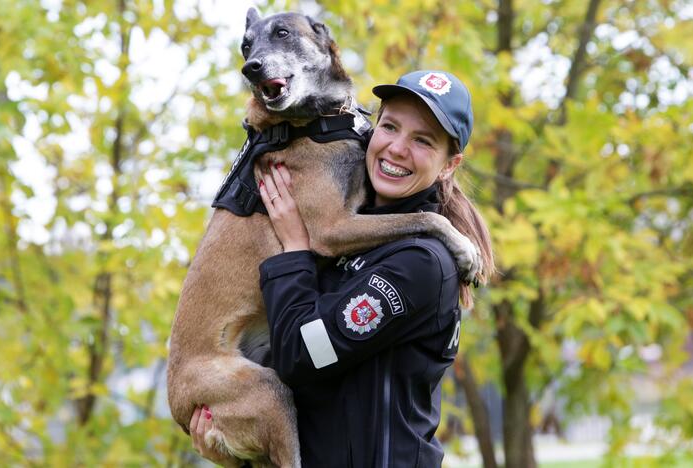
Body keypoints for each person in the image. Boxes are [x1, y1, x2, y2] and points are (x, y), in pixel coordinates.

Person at [190, 70, 493, 467]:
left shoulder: (420, 263)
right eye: (390, 127)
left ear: (449, 165)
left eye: (422, 140)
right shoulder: (344, 237)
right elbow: (312, 402)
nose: (397, 148)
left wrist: (294, 252)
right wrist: (237, 443)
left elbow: (302, 354)